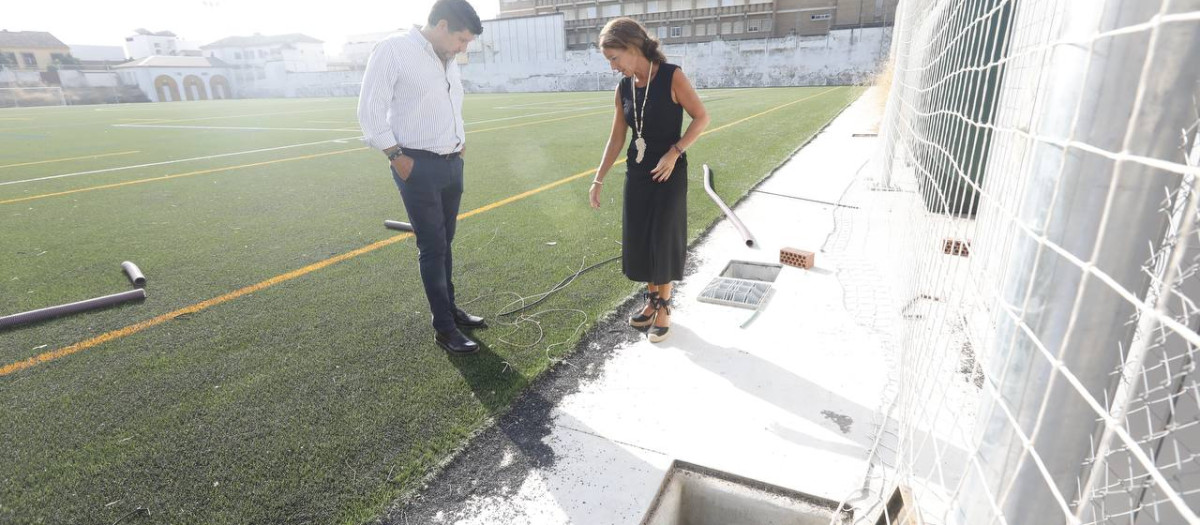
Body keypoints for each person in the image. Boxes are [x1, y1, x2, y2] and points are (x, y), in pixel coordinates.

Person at [357, 0, 486, 355]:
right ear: (442, 25)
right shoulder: (394, 50)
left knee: (446, 244)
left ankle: (450, 310)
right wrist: (397, 157)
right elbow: (369, 111)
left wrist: (460, 145)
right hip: (417, 166)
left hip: (451, 163)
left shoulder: (446, 60)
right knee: (432, 247)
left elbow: (449, 107)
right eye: (461, 40)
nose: (463, 49)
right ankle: (444, 328)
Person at [589, 17, 710, 343]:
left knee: (664, 237)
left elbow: (701, 117)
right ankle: (652, 300)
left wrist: (675, 152)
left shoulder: (672, 76)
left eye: (614, 58)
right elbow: (616, 138)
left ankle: (665, 306)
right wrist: (598, 179)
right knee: (642, 239)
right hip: (639, 173)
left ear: (632, 47)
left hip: (669, 172)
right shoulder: (623, 88)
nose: (613, 67)